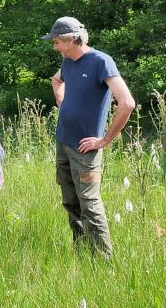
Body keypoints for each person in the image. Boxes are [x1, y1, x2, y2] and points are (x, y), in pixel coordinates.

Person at [45, 17, 135, 258]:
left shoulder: (101, 62)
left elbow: (126, 103)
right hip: (63, 141)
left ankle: (103, 260)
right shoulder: (68, 62)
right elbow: (56, 80)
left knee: (90, 204)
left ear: (72, 39)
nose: (55, 48)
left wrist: (104, 140)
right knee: (70, 201)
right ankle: (82, 252)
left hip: (86, 149)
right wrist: (60, 98)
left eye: (57, 42)